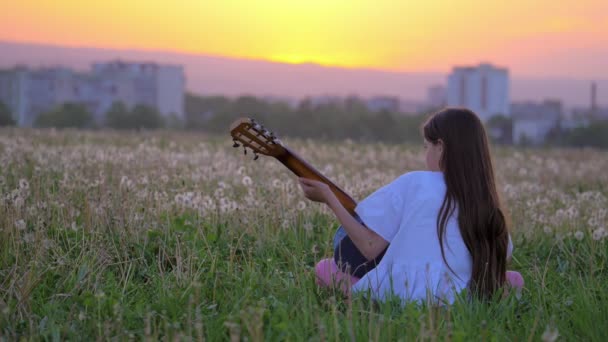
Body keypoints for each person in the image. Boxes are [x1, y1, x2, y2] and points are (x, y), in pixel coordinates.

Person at [298, 108, 524, 304]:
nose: (425, 155)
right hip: (464, 300)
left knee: (325, 269)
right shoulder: (485, 200)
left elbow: (369, 246)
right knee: (513, 280)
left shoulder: (414, 182)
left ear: (441, 147)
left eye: (427, 147)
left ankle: (366, 304)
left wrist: (330, 199)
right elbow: (499, 260)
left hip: (399, 296)